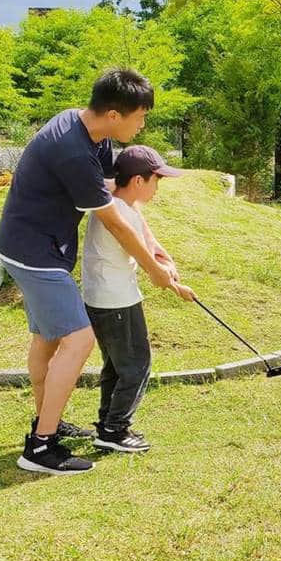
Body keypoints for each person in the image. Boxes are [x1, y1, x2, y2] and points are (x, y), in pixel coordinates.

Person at [0, 68, 174, 475]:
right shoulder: (73, 150)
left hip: (35, 247)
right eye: (140, 116)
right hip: (33, 253)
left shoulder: (88, 130)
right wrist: (154, 270)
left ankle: (48, 424)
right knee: (78, 338)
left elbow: (115, 192)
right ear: (114, 113)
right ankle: (40, 448)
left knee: (46, 340)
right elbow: (113, 220)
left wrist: (155, 246)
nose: (142, 124)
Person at [81, 145, 196, 453]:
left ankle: (107, 423)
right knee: (136, 365)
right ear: (137, 182)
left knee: (116, 366)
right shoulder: (122, 215)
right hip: (117, 300)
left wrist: (165, 262)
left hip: (100, 299)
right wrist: (175, 286)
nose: (157, 188)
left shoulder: (112, 205)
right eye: (155, 181)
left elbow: (148, 244)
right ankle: (115, 430)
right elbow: (148, 265)